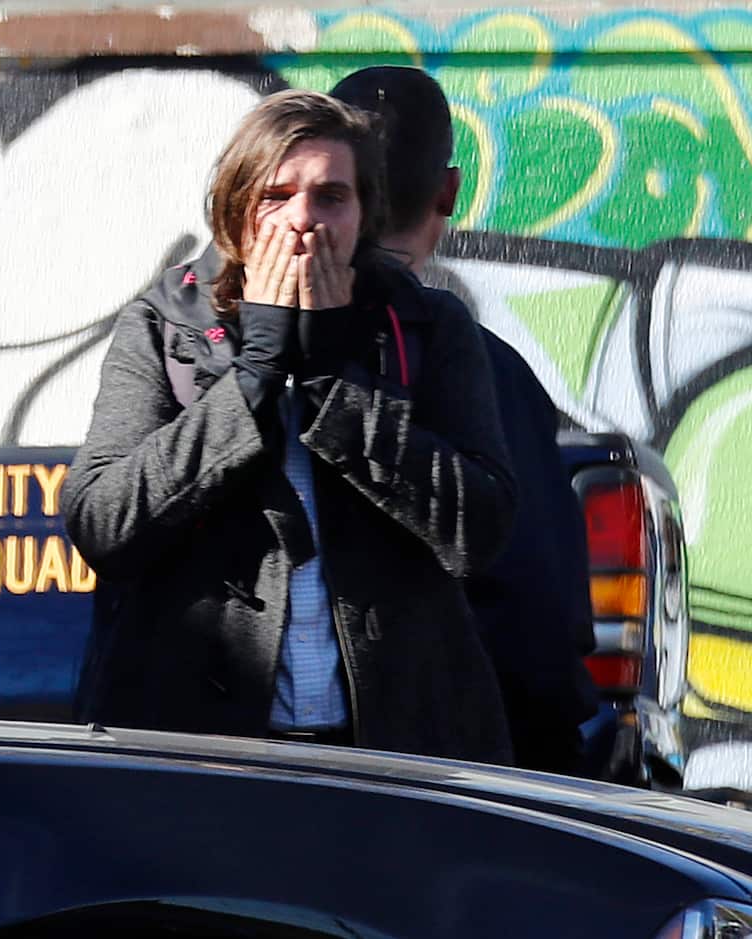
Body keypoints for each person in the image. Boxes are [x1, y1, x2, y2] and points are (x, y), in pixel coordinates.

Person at [61, 89, 517, 764]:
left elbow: (480, 530)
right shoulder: (163, 328)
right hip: (201, 760)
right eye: (276, 196)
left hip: (395, 755)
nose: (303, 219)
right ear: (234, 215)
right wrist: (254, 377)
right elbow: (102, 521)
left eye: (331, 197)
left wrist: (335, 382)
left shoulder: (426, 326)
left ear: (364, 215)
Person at [331, 66, 600, 774]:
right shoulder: (493, 371)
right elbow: (537, 612)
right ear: (449, 191)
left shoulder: (240, 361)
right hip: (452, 776)